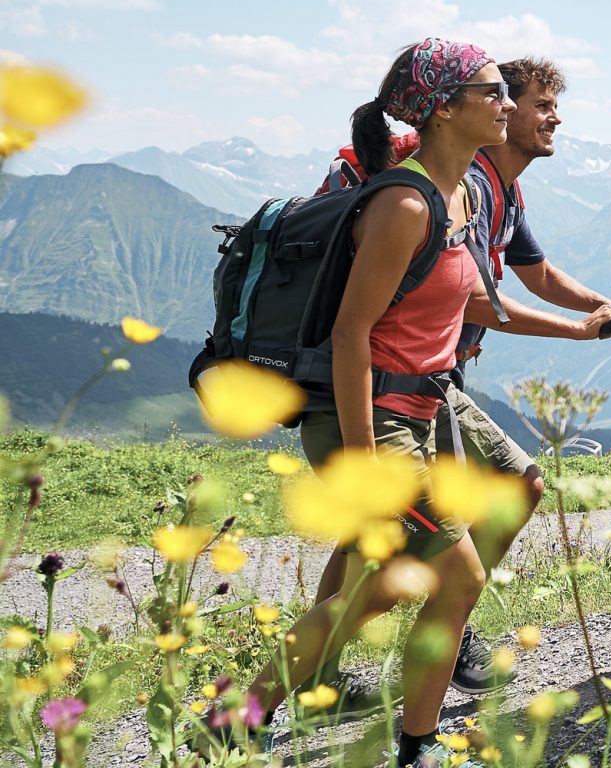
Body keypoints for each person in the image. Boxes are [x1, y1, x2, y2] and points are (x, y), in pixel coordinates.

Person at [301, 58, 611, 721]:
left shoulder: (502, 191)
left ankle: (430, 623)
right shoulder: (463, 186)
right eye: (539, 103)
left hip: (434, 379)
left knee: (481, 502)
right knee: (383, 550)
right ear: (500, 112)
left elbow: (537, 272)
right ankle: (334, 673)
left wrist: (604, 309)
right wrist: (582, 331)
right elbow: (482, 304)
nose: (555, 116)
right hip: (403, 382)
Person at [209, 37, 508, 767]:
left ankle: (237, 717)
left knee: (370, 595)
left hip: (414, 414)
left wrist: (586, 327)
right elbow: (351, 335)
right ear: (443, 109)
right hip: (370, 423)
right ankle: (417, 746)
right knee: (459, 576)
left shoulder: (460, 191)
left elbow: (475, 301)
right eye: (493, 91)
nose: (508, 104)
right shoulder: (405, 202)